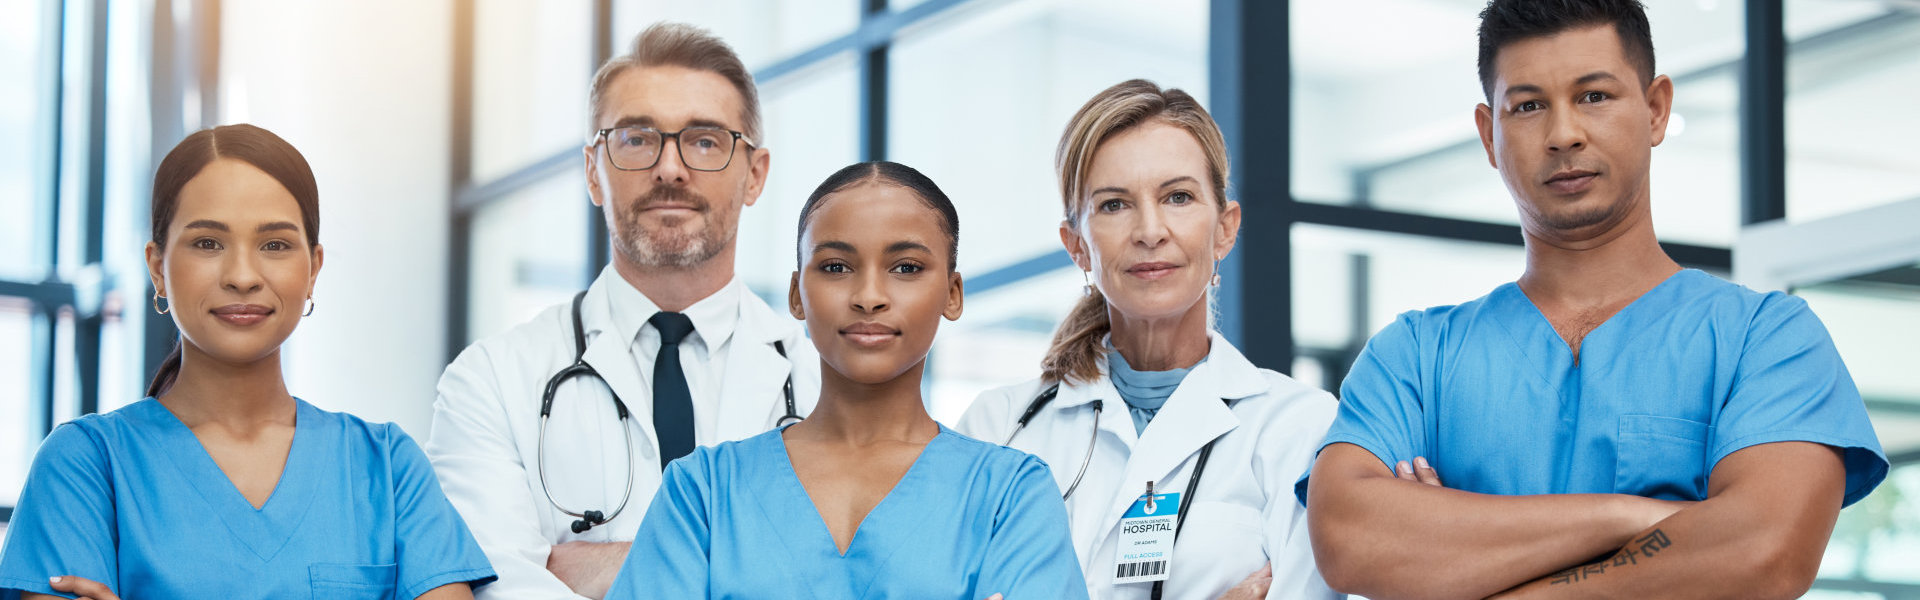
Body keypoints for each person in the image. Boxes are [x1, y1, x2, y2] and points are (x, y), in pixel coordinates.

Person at [1297, 2, 1889, 599]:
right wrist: (1634, 518)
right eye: (1528, 106)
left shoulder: (1766, 338)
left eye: (1594, 96)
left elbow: (1766, 552)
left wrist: (1472, 562)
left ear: (1656, 109)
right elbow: (1351, 539)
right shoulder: (1416, 355)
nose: (1563, 135)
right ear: (1488, 135)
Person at [0, 124, 495, 600]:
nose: (242, 275)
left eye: (275, 245)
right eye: (208, 243)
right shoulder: (85, 467)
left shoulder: (387, 469)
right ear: (158, 267)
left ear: (313, 269)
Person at [425, 22, 820, 600]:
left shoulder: (819, 382)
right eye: (637, 139)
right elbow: (493, 586)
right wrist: (747, 567)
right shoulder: (489, 382)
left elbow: (853, 578)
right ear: (593, 171)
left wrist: (595, 567)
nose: (670, 168)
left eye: (705, 141)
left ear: (754, 174)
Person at [603, 161, 1088, 600]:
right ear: (797, 294)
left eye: (906, 268)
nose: (869, 296)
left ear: (952, 294)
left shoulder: (1013, 497)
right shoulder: (702, 494)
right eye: (836, 267)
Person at [956, 79, 1340, 600]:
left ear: (1224, 229)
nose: (1150, 230)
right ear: (1078, 247)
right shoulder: (998, 427)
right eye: (1114, 205)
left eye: (1178, 197)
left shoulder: (1299, 428)